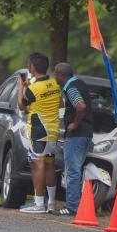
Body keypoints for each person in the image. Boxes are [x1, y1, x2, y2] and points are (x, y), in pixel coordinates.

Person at [16, 53, 60, 213]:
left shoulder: (33, 89)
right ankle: (51, 204)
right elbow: (58, 102)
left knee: (37, 164)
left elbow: (21, 105)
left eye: (29, 64)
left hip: (38, 130)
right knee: (49, 165)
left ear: (32, 67)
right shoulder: (54, 83)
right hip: (53, 130)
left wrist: (21, 87)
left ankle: (39, 204)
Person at [52, 62, 93, 216]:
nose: (54, 77)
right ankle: (74, 204)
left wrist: (75, 124)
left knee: (73, 171)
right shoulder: (79, 83)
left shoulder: (71, 87)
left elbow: (81, 106)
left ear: (59, 76)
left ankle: (71, 207)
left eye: (55, 75)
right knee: (76, 170)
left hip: (77, 135)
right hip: (86, 133)